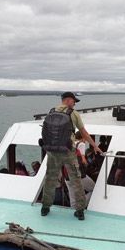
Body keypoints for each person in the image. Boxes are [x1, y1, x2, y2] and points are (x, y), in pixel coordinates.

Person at [41, 92, 103, 220]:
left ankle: (45, 208)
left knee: (50, 180)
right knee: (76, 180)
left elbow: (46, 132)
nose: (74, 104)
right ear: (68, 100)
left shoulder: (51, 112)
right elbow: (83, 133)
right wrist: (95, 146)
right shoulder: (73, 113)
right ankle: (80, 211)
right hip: (69, 151)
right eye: (74, 101)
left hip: (53, 151)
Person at [63, 131, 95, 208]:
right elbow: (83, 159)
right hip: (78, 175)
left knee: (73, 198)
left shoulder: (68, 145)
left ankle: (74, 210)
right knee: (94, 190)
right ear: (83, 138)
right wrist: (87, 164)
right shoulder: (81, 144)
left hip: (67, 176)